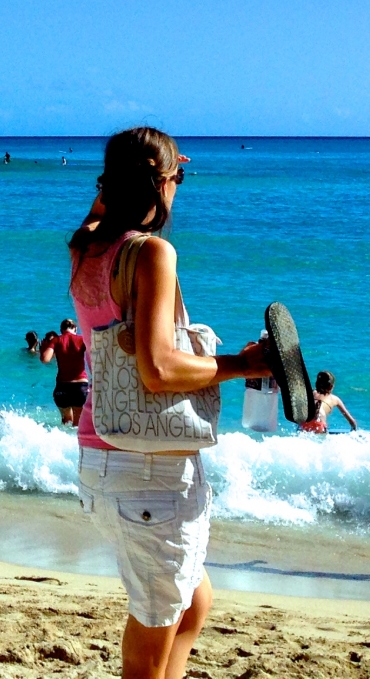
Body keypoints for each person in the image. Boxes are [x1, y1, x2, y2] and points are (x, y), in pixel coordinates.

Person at [69, 127, 275, 679]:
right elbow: (158, 367)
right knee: (157, 622)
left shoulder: (87, 245)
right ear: (161, 183)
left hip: (101, 458)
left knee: (192, 603)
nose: (179, 186)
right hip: (149, 474)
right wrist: (244, 365)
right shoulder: (152, 253)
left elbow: (100, 208)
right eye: (177, 178)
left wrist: (145, 167)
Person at [39, 318, 89, 424]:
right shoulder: (82, 339)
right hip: (80, 387)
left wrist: (44, 349)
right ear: (75, 328)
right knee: (78, 423)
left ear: (61, 330)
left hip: (62, 388)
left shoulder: (56, 340)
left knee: (66, 421)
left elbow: (45, 359)